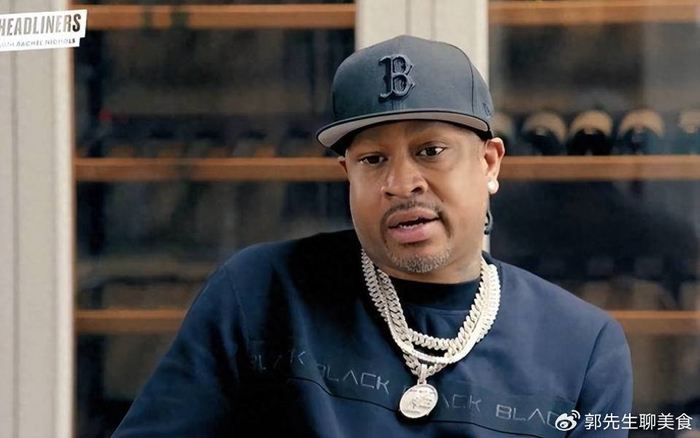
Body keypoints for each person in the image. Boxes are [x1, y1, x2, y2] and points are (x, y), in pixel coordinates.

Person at [112, 35, 633, 437]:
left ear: (489, 163)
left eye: (430, 151)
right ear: (348, 174)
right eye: (373, 159)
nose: (401, 183)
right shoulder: (259, 293)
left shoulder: (582, 346)